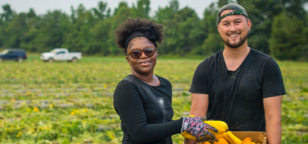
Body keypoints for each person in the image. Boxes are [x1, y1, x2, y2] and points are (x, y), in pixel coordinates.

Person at [185, 3, 286, 144]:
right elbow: (197, 117)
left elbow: (273, 118)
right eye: (226, 24)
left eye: (237, 22)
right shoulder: (205, 68)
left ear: (248, 24)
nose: (232, 29)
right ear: (219, 29)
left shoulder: (267, 66)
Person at [113, 17, 218, 144]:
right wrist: (183, 124)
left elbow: (163, 126)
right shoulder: (127, 88)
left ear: (156, 53)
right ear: (128, 59)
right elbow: (140, 133)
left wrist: (188, 127)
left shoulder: (165, 84)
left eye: (149, 51)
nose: (143, 56)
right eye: (136, 53)